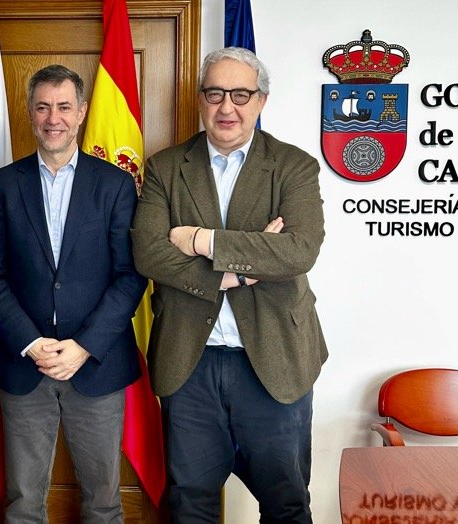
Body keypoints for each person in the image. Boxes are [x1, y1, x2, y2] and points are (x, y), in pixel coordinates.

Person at [131, 47, 327, 523]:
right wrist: (240, 268)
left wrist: (200, 239)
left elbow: (299, 251)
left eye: (241, 95)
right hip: (190, 364)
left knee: (286, 503)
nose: (227, 107)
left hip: (275, 362)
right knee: (189, 503)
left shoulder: (293, 166)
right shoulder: (165, 167)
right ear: (201, 98)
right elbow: (149, 254)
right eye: (215, 93)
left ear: (261, 101)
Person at [0, 64, 147, 523]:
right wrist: (31, 343)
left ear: (82, 112)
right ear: (30, 113)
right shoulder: (0, 186)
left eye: (63, 107)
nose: (53, 118)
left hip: (95, 365)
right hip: (24, 364)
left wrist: (84, 346)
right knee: (22, 504)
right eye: (42, 107)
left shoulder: (115, 184)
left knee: (103, 504)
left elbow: (130, 275)